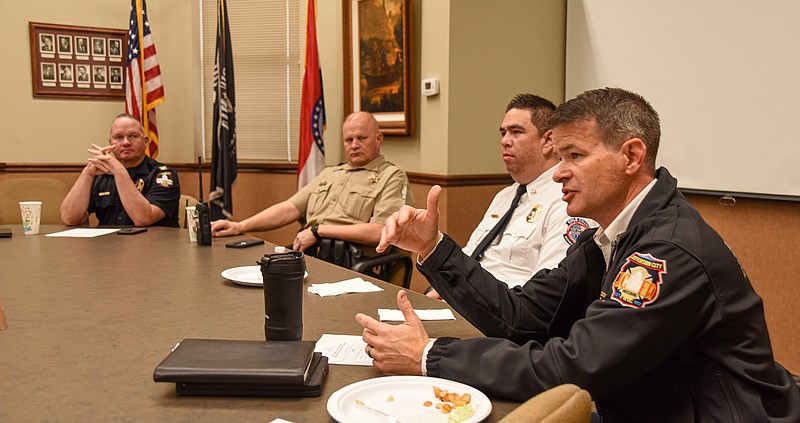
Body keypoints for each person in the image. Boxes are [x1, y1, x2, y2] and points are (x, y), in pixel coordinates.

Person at [357, 88, 800, 421]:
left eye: (574, 155)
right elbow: (521, 314)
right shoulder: (610, 237)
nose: (559, 172)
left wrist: (431, 356)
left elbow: (575, 366)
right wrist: (432, 248)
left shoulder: (666, 251)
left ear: (631, 156)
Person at [426, 94, 591, 299]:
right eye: (503, 133)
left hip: (507, 316)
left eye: (516, 132)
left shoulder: (566, 200)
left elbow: (545, 294)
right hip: (464, 302)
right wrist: (443, 284)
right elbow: (470, 254)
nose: (505, 141)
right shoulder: (505, 196)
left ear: (548, 140)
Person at [211, 111, 414, 252]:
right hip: (311, 256)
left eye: (362, 138)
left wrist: (318, 231)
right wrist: (240, 226)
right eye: (349, 140)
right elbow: (289, 209)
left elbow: (380, 231)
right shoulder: (331, 173)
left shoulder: (392, 177)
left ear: (379, 139)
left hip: (352, 266)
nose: (354, 145)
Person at [61, 114, 180, 227]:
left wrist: (119, 171)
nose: (126, 143)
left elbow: (143, 219)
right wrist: (87, 173)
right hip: (108, 246)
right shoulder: (101, 174)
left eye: (133, 136)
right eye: (118, 137)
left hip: (153, 246)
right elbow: (69, 218)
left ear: (146, 141)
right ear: (110, 143)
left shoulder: (163, 176)